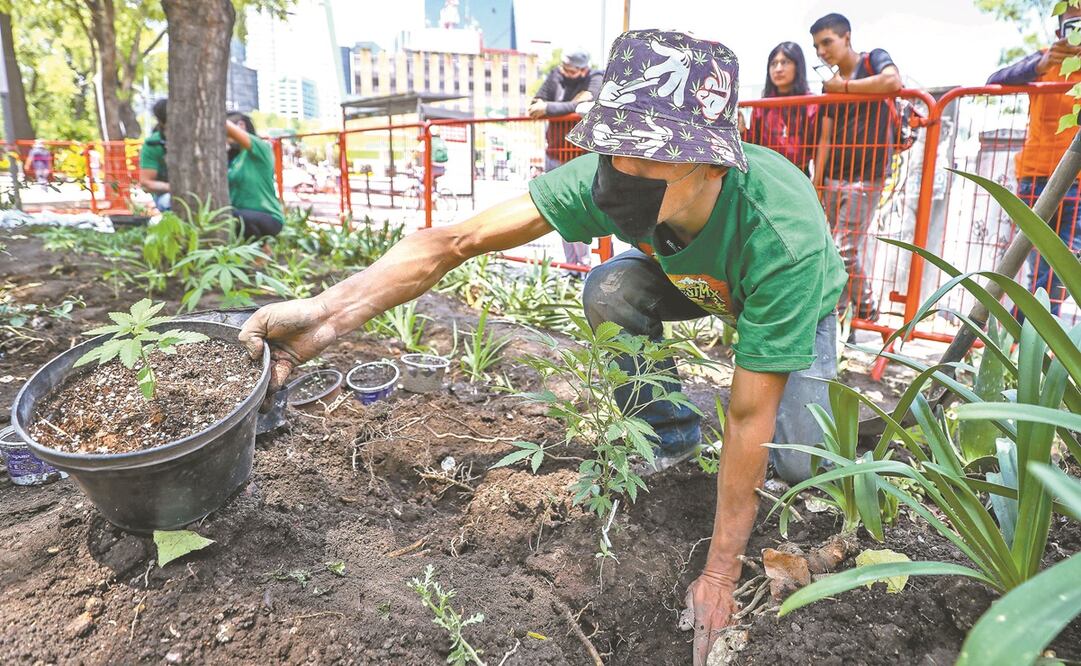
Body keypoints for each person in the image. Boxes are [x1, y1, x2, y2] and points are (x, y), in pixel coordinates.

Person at [239, 30, 847, 665]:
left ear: (714, 162)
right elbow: (455, 241)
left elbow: (750, 414)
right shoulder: (613, 176)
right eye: (616, 150)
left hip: (786, 299)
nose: (621, 176)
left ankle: (869, 429)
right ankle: (673, 443)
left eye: (649, 158)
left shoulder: (782, 239)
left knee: (803, 462)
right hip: (688, 278)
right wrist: (326, 319)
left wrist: (721, 572)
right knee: (611, 288)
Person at [987, 5, 1081, 315]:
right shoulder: (1044, 60)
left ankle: (1029, 339)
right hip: (1037, 177)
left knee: (1061, 269)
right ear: (1060, 32)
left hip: (1077, 185)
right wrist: (1038, 66)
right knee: (1037, 265)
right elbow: (994, 80)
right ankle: (1028, 341)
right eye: (1073, 25)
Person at [810, 13, 902, 323]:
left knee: (843, 251)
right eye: (817, 47)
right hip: (834, 176)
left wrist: (844, 87)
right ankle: (843, 319)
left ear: (846, 37)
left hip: (867, 175)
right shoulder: (829, 86)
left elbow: (893, 81)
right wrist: (817, 181)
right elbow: (824, 136)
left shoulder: (873, 60)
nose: (822, 51)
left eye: (827, 42)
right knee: (834, 252)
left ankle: (864, 310)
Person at [529, 49, 604, 267]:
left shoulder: (595, 77)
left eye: (570, 70)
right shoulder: (556, 75)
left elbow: (589, 104)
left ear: (583, 70)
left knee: (577, 213)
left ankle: (583, 264)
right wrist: (573, 105)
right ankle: (571, 266)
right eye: (564, 68)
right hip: (555, 152)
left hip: (579, 155)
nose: (565, 72)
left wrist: (549, 108)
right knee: (558, 213)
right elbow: (536, 105)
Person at [743, 42, 818, 175]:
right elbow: (754, 142)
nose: (778, 69)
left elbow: (819, 146)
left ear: (798, 66)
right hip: (768, 173)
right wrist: (743, 130)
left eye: (785, 62)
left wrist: (818, 179)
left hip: (800, 173)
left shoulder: (811, 104)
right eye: (773, 64)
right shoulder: (762, 106)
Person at [226, 113, 284, 239]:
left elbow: (226, 126)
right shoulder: (235, 160)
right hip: (242, 215)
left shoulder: (261, 148)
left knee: (235, 217)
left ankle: (262, 252)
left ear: (241, 126)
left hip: (268, 216)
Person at [139, 99, 171, 212]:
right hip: (166, 195)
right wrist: (173, 188)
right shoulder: (153, 144)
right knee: (168, 201)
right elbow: (146, 183)